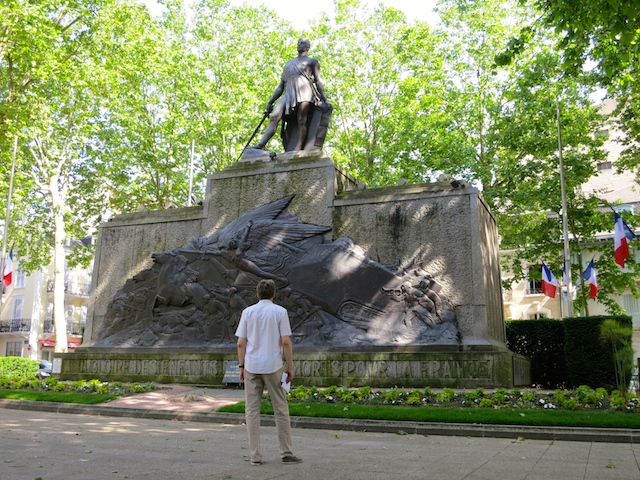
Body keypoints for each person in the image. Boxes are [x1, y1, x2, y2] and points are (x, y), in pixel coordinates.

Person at [235, 279, 301, 465]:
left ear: (257, 294)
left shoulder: (247, 312)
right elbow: (286, 341)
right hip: (273, 365)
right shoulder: (280, 312)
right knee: (280, 408)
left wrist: (241, 366)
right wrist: (290, 366)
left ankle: (255, 455)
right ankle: (286, 452)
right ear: (273, 294)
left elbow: (241, 342)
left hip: (251, 366)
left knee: (252, 411)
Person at [252, 38, 329, 151]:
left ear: (308, 47)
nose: (299, 44)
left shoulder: (313, 62)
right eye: (298, 43)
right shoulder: (289, 64)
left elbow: (318, 81)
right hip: (289, 93)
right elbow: (280, 86)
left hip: (305, 92)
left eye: (302, 43)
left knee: (301, 120)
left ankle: (298, 148)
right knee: (274, 116)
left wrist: (325, 99)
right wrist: (271, 101)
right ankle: (262, 144)